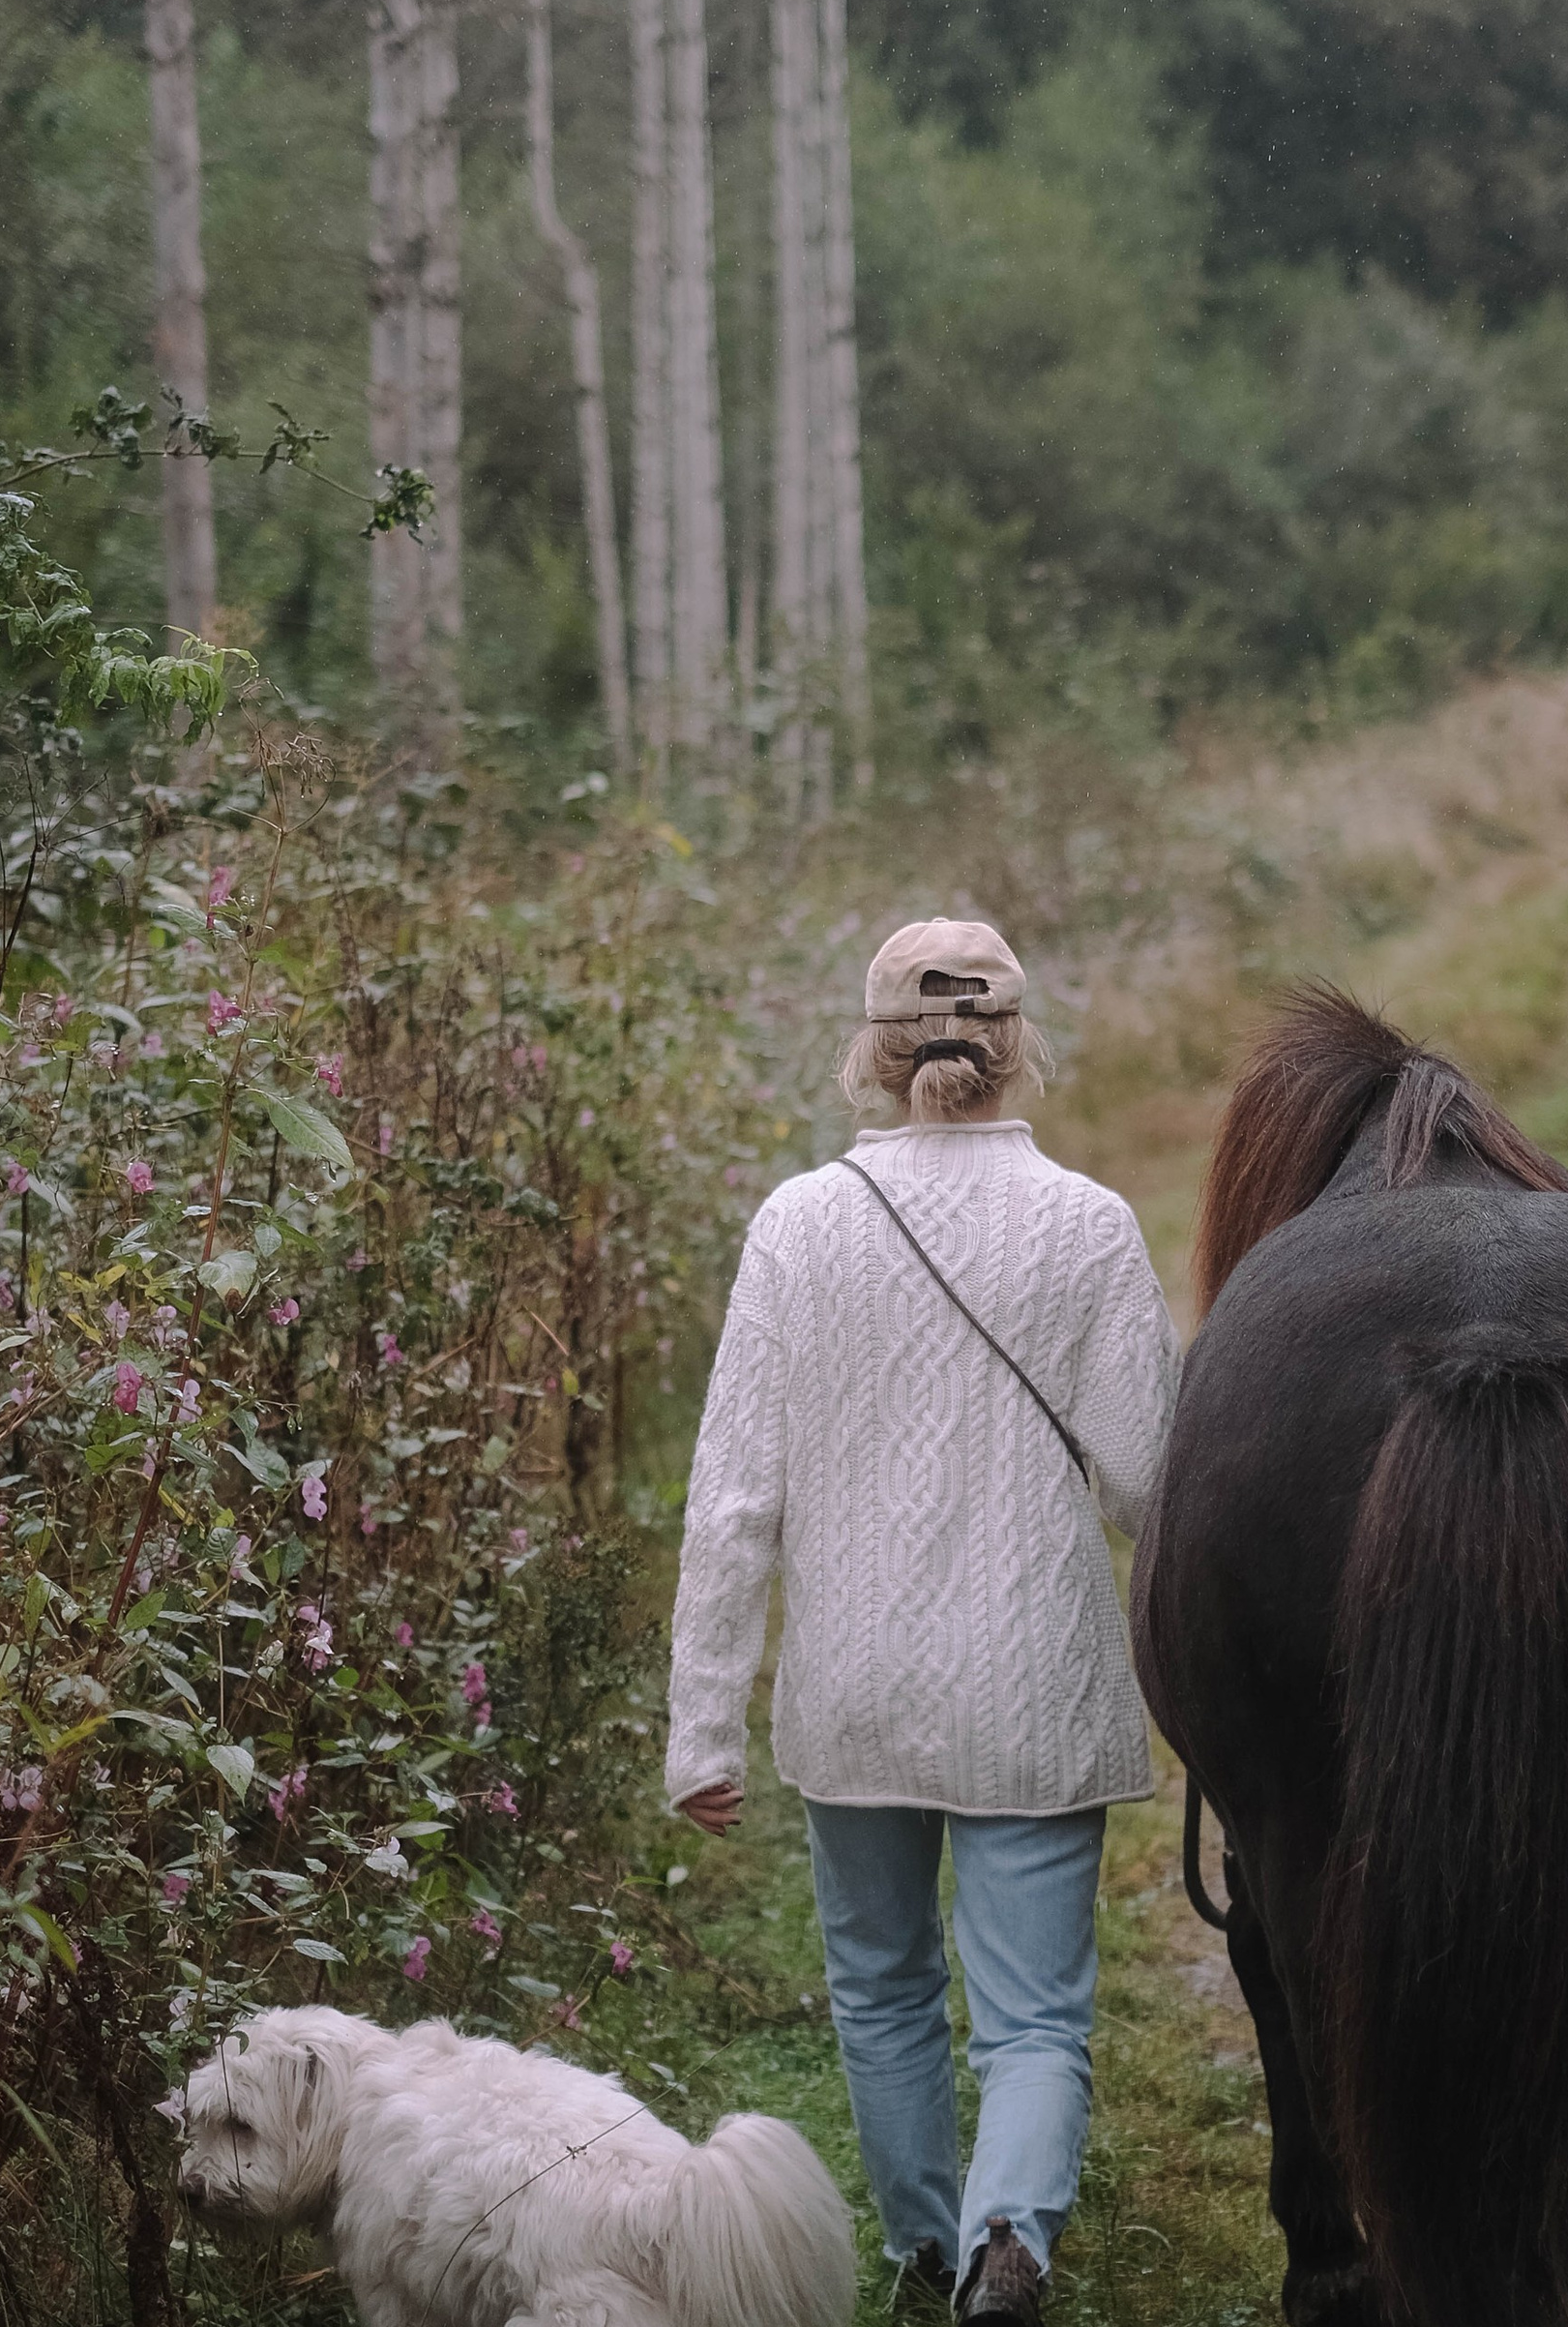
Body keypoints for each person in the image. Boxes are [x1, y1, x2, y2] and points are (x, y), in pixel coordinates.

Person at [665, 917, 1181, 2322]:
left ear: (873, 1055)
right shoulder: (1090, 1225)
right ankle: (1011, 2237)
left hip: (856, 1684)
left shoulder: (798, 1224)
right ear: (1018, 1046)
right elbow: (1151, 1483)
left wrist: (701, 1724)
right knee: (1033, 2015)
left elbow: (731, 1502)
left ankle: (925, 2251)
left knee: (883, 1989)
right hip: (1030, 1682)